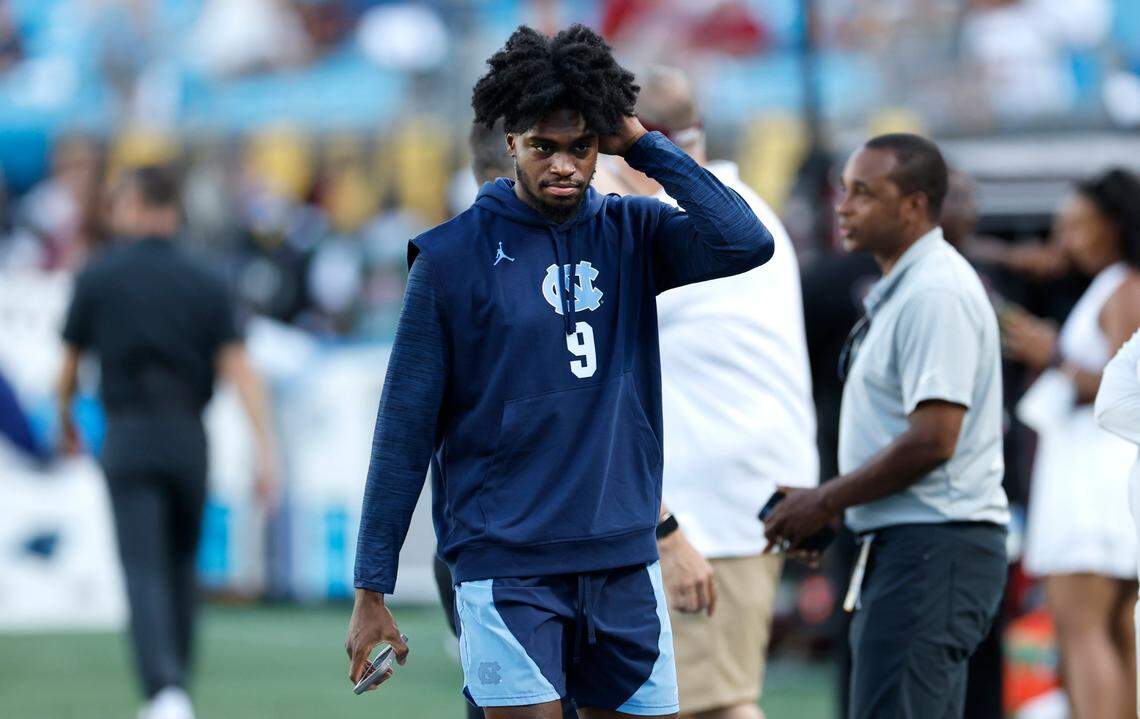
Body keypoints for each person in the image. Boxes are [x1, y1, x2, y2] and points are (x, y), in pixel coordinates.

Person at [344, 24, 774, 719]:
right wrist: (372, 586)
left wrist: (641, 142)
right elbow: (403, 431)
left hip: (622, 560)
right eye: (545, 146)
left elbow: (746, 242)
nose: (565, 165)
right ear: (511, 140)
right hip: (506, 564)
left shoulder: (634, 232)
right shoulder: (448, 259)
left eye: (582, 147)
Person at [594, 65, 817, 719]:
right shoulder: (740, 207)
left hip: (712, 508)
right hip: (740, 492)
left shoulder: (678, 224)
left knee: (711, 704)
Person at [762, 133, 1009, 719]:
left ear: (914, 204)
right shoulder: (908, 287)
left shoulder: (935, 291)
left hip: (932, 546)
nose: (843, 207)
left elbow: (935, 438)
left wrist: (827, 499)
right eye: (843, 191)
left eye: (864, 193)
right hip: (913, 543)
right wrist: (836, 505)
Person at [57, 165, 279, 719]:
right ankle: (175, 685)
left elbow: (67, 369)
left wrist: (65, 422)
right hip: (187, 434)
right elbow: (240, 369)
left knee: (142, 566)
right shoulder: (205, 278)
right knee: (181, 565)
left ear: (131, 204)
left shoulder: (98, 275)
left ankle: (163, 691)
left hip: (127, 432)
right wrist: (265, 450)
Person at [1005, 168, 1140, 719]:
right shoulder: (1114, 283)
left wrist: (1054, 355)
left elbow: (1125, 386)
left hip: (1092, 489)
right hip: (1105, 484)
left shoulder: (1124, 285)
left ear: (1114, 226)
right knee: (1116, 632)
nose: (1068, 240)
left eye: (1079, 226)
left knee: (1082, 631)